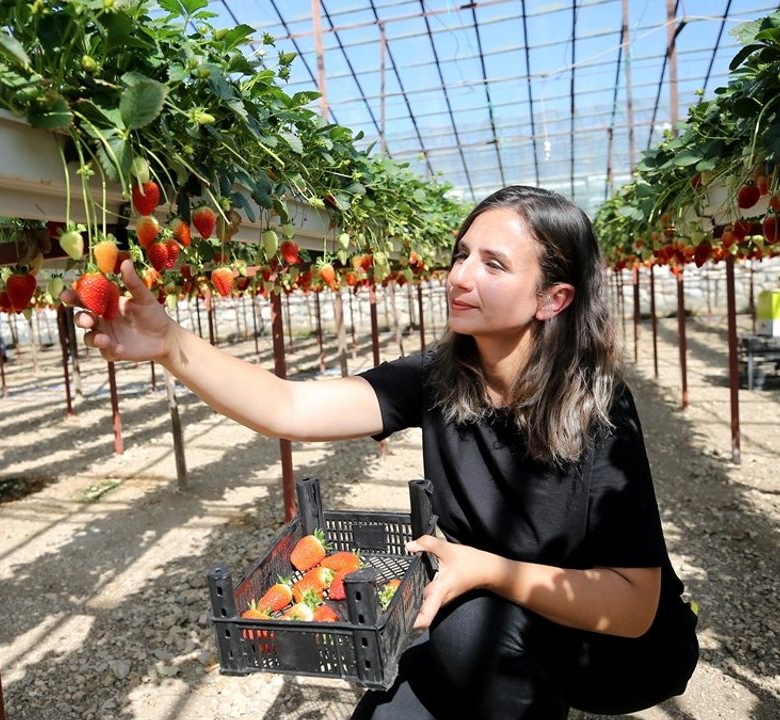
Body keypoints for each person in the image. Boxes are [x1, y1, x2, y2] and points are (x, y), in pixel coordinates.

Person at [64, 185, 698, 719]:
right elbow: (290, 407)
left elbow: (634, 605)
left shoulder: (596, 409)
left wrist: (485, 569)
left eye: (493, 265)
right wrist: (171, 344)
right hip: (484, 608)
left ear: (552, 299)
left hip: (616, 649)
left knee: (465, 631)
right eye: (460, 255)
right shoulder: (438, 379)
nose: (460, 276)